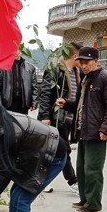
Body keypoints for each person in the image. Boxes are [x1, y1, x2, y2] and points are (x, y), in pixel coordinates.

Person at [56, 46, 107, 212]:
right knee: (82, 168)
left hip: (97, 132)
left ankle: (94, 204)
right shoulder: (85, 78)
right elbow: (80, 105)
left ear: (96, 61)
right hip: (83, 130)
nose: (84, 66)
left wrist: (105, 128)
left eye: (87, 62)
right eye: (81, 62)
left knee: (93, 170)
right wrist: (67, 104)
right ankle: (85, 199)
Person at [37, 41, 83, 193]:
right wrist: (44, 115)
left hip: (69, 118)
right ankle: (73, 180)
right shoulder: (55, 70)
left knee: (50, 151)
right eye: (81, 57)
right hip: (56, 117)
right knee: (64, 150)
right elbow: (45, 93)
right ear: (75, 56)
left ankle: (40, 179)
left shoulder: (76, 72)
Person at [0, 48, 38, 115]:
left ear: (20, 51)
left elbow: (34, 87)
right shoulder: (2, 67)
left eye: (16, 50)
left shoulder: (30, 68)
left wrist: (34, 103)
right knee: (8, 124)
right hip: (7, 103)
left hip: (23, 104)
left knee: (22, 124)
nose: (14, 52)